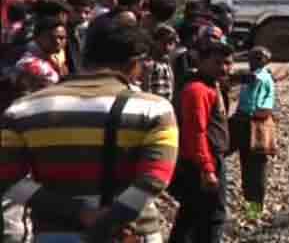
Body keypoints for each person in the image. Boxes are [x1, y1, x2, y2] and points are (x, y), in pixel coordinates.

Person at [0, 24, 178, 242]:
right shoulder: (155, 109)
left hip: (54, 233)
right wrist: (109, 218)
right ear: (135, 64)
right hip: (129, 233)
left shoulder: (22, 110)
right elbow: (155, 178)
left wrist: (78, 212)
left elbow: (9, 179)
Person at [168, 40, 233, 243]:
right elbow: (196, 131)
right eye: (217, 63)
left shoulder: (210, 85)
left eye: (227, 63)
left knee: (193, 213)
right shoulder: (197, 90)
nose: (223, 68)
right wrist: (207, 168)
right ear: (201, 62)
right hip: (203, 162)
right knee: (213, 215)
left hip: (206, 159)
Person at [232, 46, 276, 212]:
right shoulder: (262, 75)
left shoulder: (258, 77)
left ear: (265, 61)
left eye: (257, 58)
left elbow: (246, 80)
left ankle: (254, 211)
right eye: (251, 57)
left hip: (254, 124)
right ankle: (252, 209)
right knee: (251, 168)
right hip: (249, 121)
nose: (252, 61)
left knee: (254, 170)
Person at [15, 17, 69, 92]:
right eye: (51, 37)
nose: (57, 41)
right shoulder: (30, 63)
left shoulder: (55, 57)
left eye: (62, 38)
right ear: (38, 37)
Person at [142, 24, 178, 100]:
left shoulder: (168, 64)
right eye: (163, 42)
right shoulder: (148, 63)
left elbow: (171, 87)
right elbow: (146, 88)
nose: (167, 47)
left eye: (170, 43)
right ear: (154, 41)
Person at [65, 0, 93, 75]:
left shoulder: (91, 32)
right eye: (77, 11)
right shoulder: (61, 34)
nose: (82, 16)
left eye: (87, 13)